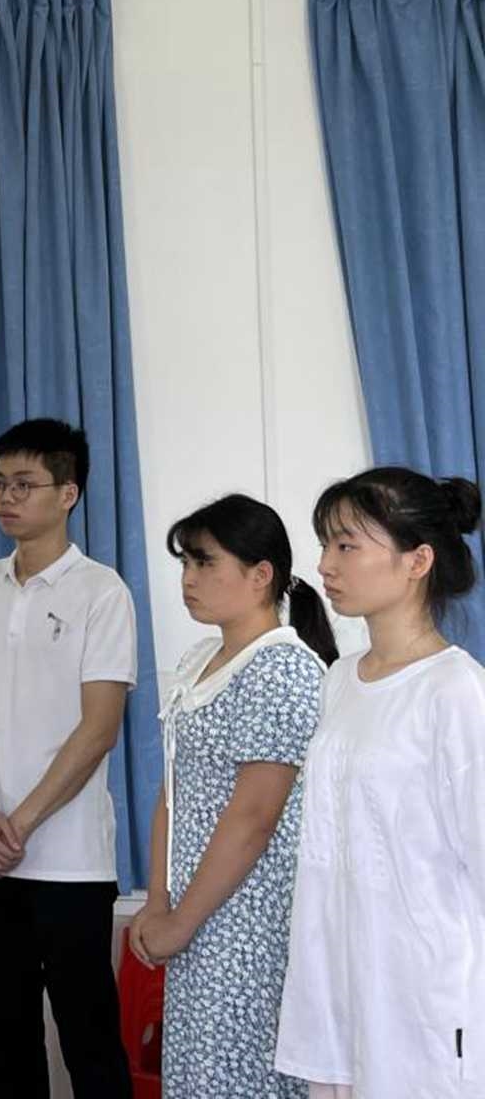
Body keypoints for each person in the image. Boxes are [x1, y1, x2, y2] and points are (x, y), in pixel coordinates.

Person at [0, 418, 137, 1098]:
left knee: (89, 1038)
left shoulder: (102, 592)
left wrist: (19, 824)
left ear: (68, 493)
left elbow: (99, 728)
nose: (7, 497)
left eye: (25, 484)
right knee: (9, 1034)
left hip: (70, 862)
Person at [275, 467, 485, 1099]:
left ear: (417, 560)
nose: (324, 564)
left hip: (424, 994)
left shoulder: (455, 690)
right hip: (340, 981)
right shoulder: (340, 678)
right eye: (325, 545)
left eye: (347, 545)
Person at [130, 495, 333, 1098]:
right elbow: (173, 790)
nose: (188, 579)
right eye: (184, 563)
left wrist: (181, 920)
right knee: (198, 1075)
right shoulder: (201, 659)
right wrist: (158, 900)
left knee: (243, 1077)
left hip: (250, 923)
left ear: (260, 574)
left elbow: (254, 817)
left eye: (204, 562)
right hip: (195, 916)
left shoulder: (282, 669)